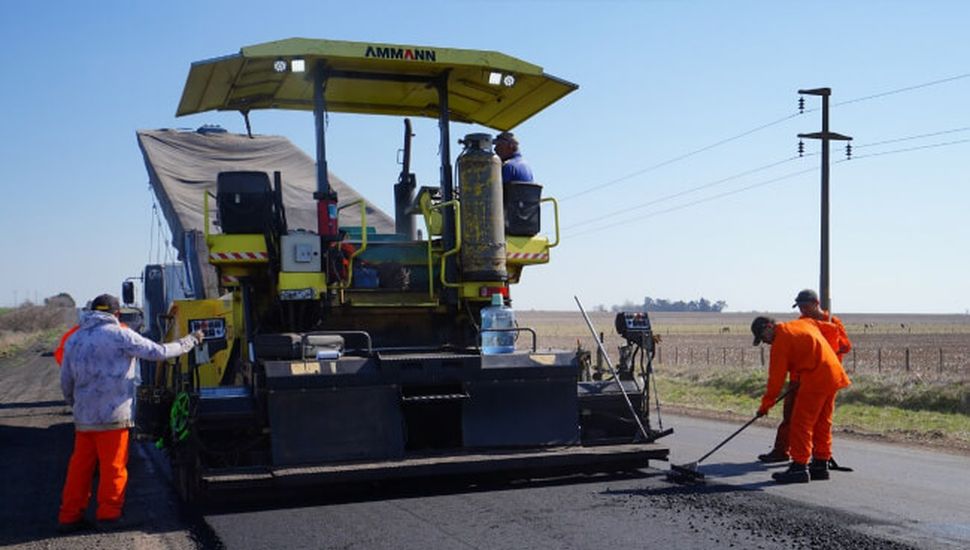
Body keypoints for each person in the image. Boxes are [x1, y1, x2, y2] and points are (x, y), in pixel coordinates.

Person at [57, 294, 204, 533]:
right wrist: (190, 340)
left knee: (80, 468)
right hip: (113, 417)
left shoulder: (74, 339)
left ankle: (69, 516)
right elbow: (159, 352)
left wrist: (75, 404)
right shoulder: (121, 335)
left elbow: (66, 381)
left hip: (84, 419)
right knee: (113, 467)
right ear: (115, 314)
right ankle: (109, 515)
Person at [751, 315, 851, 483]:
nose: (765, 342)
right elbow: (832, 329)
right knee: (822, 422)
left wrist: (765, 406)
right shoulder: (804, 323)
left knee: (800, 423)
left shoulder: (780, 342)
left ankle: (799, 467)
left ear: (769, 327)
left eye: (763, 338)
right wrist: (825, 353)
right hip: (833, 373)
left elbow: (775, 380)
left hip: (815, 378)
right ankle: (820, 464)